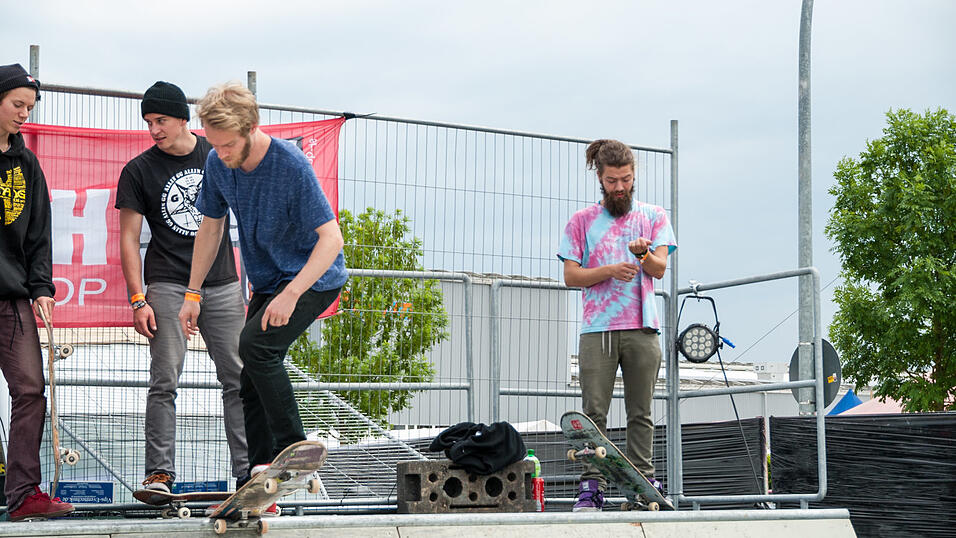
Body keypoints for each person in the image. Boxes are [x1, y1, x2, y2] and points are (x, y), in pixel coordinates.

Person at [178, 82, 346, 481]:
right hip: (270, 281)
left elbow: (332, 239)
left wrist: (292, 294)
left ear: (252, 126)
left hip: (314, 278)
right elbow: (210, 227)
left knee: (255, 346)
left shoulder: (291, 166)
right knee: (248, 379)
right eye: (215, 146)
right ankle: (257, 472)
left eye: (229, 145)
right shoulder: (219, 165)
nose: (221, 154)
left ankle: (294, 451)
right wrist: (192, 292)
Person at [115, 81, 249, 498]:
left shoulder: (216, 154)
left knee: (239, 378)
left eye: (162, 120)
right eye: (149, 122)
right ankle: (159, 474)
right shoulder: (139, 170)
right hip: (168, 283)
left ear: (183, 118)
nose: (154, 129)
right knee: (164, 380)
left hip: (223, 283)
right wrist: (138, 298)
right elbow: (127, 238)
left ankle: (249, 472)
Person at [557, 139, 676, 511]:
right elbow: (570, 276)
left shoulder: (654, 216)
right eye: (612, 181)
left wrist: (641, 254)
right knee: (593, 415)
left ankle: (644, 482)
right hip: (598, 328)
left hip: (642, 326)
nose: (620, 187)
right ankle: (592, 486)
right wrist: (609, 270)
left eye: (625, 179)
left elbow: (659, 269)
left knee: (641, 412)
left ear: (634, 175)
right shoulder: (582, 221)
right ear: (600, 178)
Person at [0, 63, 74, 521]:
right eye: (17, 104)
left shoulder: (27, 164)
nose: (25, 113)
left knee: (31, 389)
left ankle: (24, 495)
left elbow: (39, 236)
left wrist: (42, 288)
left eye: (30, 106)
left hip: (12, 297)